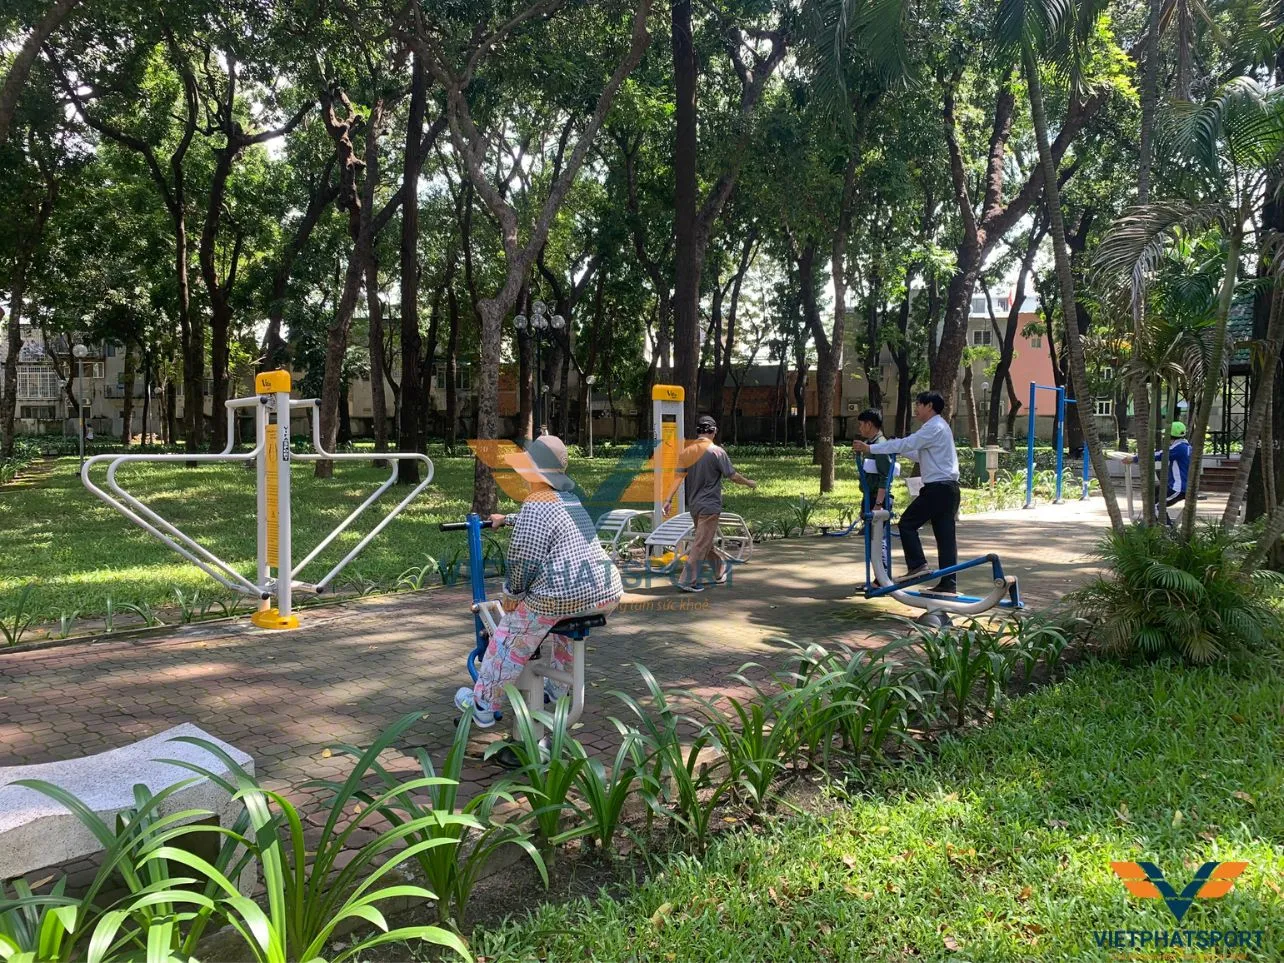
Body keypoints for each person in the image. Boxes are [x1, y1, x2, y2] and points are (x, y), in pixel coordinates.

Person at [454, 435, 623, 728]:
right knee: (564, 633)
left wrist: (512, 594)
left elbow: (523, 559)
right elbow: (550, 523)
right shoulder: (569, 499)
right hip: (604, 592)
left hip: (560, 595)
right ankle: (557, 689)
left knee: (509, 634)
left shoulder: (536, 504)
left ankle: (483, 705)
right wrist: (508, 519)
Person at [853, 391, 961, 594]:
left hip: (937, 488)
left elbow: (908, 443)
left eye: (918, 404)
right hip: (948, 489)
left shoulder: (933, 427)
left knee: (907, 524)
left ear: (929, 406)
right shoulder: (939, 427)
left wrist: (871, 449)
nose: (916, 408)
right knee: (945, 538)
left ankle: (918, 565)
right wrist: (896, 448)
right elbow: (918, 454)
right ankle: (948, 584)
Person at [676, 416, 757, 592]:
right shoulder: (717, 452)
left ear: (698, 432)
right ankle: (687, 581)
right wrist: (749, 483)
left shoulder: (687, 452)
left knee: (705, 541)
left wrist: (668, 499)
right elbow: (733, 476)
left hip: (695, 506)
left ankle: (719, 571)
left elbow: (678, 477)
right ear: (713, 431)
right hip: (710, 506)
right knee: (701, 543)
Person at [852, 408, 894, 574]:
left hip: (878, 498)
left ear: (869, 425)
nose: (860, 428)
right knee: (872, 539)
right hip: (870, 496)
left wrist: (878, 503)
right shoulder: (870, 445)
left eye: (861, 424)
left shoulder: (880, 445)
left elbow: (886, 476)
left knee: (877, 539)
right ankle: (878, 577)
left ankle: (881, 577)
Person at [1131, 421, 1192, 522]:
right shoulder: (1187, 447)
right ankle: (1153, 522)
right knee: (1153, 492)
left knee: (1155, 505)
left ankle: (1166, 527)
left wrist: (1135, 458)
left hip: (1178, 488)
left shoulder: (1178, 448)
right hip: (1181, 486)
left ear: (1169, 436)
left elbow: (1159, 455)